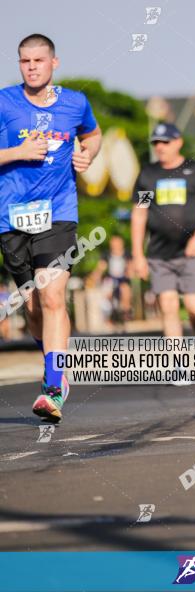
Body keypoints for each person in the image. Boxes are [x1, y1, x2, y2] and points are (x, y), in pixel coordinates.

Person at [0, 34, 101, 420]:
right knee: (33, 305)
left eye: (39, 60)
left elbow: (93, 134)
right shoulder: (4, 102)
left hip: (59, 211)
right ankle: (52, 355)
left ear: (54, 63)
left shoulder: (75, 102)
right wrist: (17, 153)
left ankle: (53, 385)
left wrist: (87, 154)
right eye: (25, 61)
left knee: (53, 294)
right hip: (11, 215)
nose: (32, 67)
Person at [131, 123, 195, 349]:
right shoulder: (148, 175)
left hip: (190, 253)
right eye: (156, 143)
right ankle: (178, 362)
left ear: (178, 142)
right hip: (159, 255)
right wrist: (138, 255)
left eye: (165, 142)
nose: (160, 147)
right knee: (168, 307)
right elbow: (140, 214)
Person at [95, 234, 133, 330]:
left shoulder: (127, 254)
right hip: (110, 279)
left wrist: (130, 272)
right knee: (108, 295)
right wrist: (95, 276)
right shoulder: (107, 254)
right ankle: (111, 315)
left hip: (123, 278)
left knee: (126, 291)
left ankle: (125, 314)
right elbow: (101, 267)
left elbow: (131, 266)